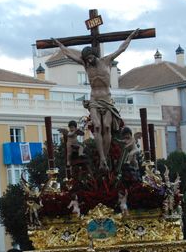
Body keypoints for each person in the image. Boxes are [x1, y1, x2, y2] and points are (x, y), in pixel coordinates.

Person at [53, 29, 140, 170]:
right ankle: (103, 158)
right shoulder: (86, 65)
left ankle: (103, 160)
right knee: (97, 127)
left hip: (107, 100)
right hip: (94, 100)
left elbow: (121, 48)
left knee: (106, 127)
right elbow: (69, 54)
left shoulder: (107, 61)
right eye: (86, 59)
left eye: (90, 58)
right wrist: (59, 44)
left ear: (94, 55)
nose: (88, 61)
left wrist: (130, 36)